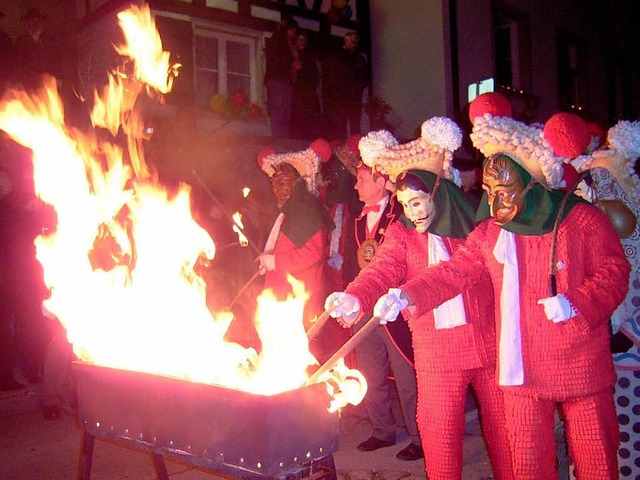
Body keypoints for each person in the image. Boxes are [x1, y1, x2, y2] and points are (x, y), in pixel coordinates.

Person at [366, 93, 630, 479]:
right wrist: (407, 294)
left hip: (578, 362)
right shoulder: (491, 232)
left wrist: (576, 303)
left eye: (503, 191)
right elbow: (454, 271)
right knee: (526, 463)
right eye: (489, 192)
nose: (493, 202)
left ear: (531, 182)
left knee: (595, 458)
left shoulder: (581, 220)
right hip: (519, 370)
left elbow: (614, 273)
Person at [326, 118, 514, 479]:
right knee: (439, 439)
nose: (413, 212)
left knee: (504, 435)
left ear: (437, 193)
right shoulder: (404, 234)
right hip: (437, 354)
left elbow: (457, 273)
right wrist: (355, 297)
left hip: (486, 347)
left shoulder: (474, 230)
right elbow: (381, 268)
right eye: (405, 204)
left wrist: (407, 293)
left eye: (418, 201)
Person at [325, 129, 422, 461]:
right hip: (365, 307)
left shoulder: (404, 215)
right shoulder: (356, 219)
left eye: (362, 179)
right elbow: (355, 267)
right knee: (369, 374)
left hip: (394, 310)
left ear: (382, 182)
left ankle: (420, 436)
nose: (355, 185)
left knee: (408, 379)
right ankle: (382, 430)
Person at [569, 119, 640, 479]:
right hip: (600, 351)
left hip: (627, 357)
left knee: (627, 431)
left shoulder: (630, 245)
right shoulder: (589, 237)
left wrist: (627, 334)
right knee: (596, 431)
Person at [255, 140, 334, 333]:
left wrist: (275, 262)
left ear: (298, 181)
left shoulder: (307, 209)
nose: (277, 187)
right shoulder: (289, 211)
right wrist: (268, 260)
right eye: (275, 181)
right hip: (279, 298)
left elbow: (313, 254)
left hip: (298, 301)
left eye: (284, 181)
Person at [322, 31, 370, 140]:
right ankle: (341, 148)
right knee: (340, 125)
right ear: (346, 41)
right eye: (352, 42)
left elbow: (367, 76)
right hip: (340, 98)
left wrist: (359, 87)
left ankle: (355, 147)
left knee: (355, 125)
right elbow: (330, 78)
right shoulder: (337, 58)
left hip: (355, 98)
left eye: (356, 42)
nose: (354, 44)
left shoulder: (360, 59)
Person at [264, 17, 298, 137]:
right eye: (292, 31)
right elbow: (278, 60)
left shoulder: (287, 43)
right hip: (277, 80)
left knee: (285, 113)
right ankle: (279, 138)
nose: (293, 34)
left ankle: (284, 138)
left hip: (285, 81)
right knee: (278, 112)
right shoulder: (277, 41)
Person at [291, 31, 321, 140]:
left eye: (304, 40)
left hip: (309, 93)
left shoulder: (309, 57)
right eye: (299, 39)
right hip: (297, 93)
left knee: (312, 120)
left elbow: (315, 76)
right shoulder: (291, 55)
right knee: (298, 120)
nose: (301, 42)